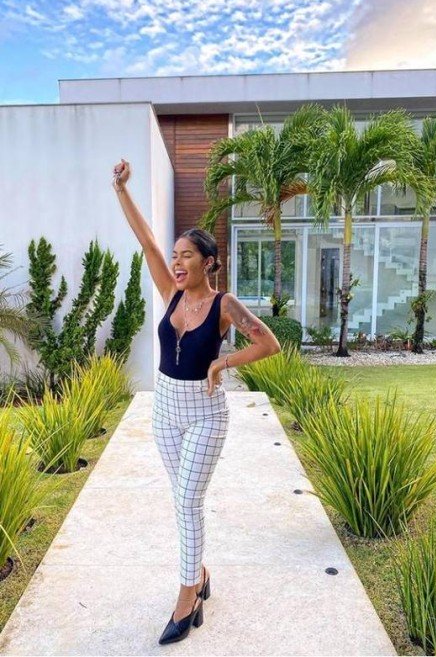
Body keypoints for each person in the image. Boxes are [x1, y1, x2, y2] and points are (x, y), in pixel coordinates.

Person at [112, 158, 281, 645]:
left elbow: (268, 342)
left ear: (207, 261)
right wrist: (121, 190)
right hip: (165, 410)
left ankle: (188, 595)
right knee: (181, 499)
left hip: (205, 413)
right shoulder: (170, 293)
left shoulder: (224, 305)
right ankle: (201, 573)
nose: (177, 262)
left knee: (188, 499)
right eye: (175, 255)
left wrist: (222, 363)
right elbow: (146, 242)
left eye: (186, 255)